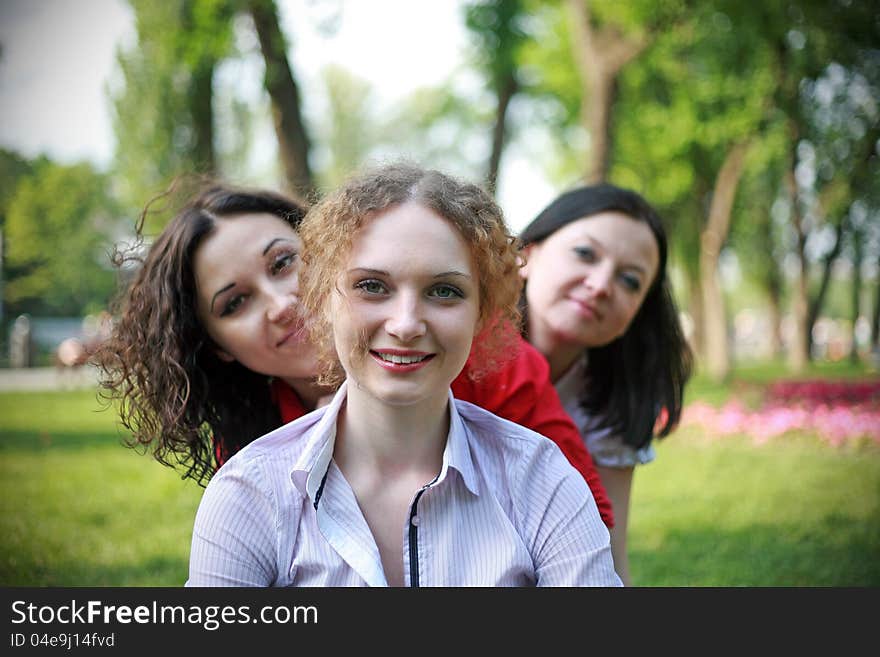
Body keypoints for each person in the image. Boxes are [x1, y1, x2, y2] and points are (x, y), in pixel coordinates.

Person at [186, 163, 621, 586]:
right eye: (372, 286)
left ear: (482, 313)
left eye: (444, 291)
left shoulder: (541, 477)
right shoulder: (249, 490)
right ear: (322, 298)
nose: (407, 323)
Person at [96, 180, 615, 526]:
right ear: (217, 347)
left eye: (283, 263)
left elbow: (584, 519)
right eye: (235, 302)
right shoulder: (250, 452)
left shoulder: (485, 356)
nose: (282, 303)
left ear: (328, 254)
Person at [518, 182, 693, 585]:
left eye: (630, 280)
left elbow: (608, 548)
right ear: (528, 255)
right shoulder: (460, 351)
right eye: (585, 254)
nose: (600, 285)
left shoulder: (619, 398)